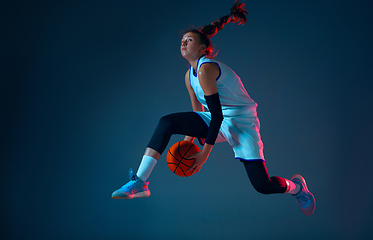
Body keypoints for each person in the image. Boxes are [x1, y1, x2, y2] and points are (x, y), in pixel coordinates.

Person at [111, 0, 315, 216]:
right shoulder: (189, 77)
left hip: (241, 121)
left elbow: (216, 117)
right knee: (167, 122)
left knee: (262, 185)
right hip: (216, 117)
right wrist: (189, 140)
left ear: (202, 48)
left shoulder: (206, 69)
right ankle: (140, 182)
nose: (183, 43)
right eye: (181, 40)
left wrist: (203, 155)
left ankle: (298, 188)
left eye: (188, 40)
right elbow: (200, 113)